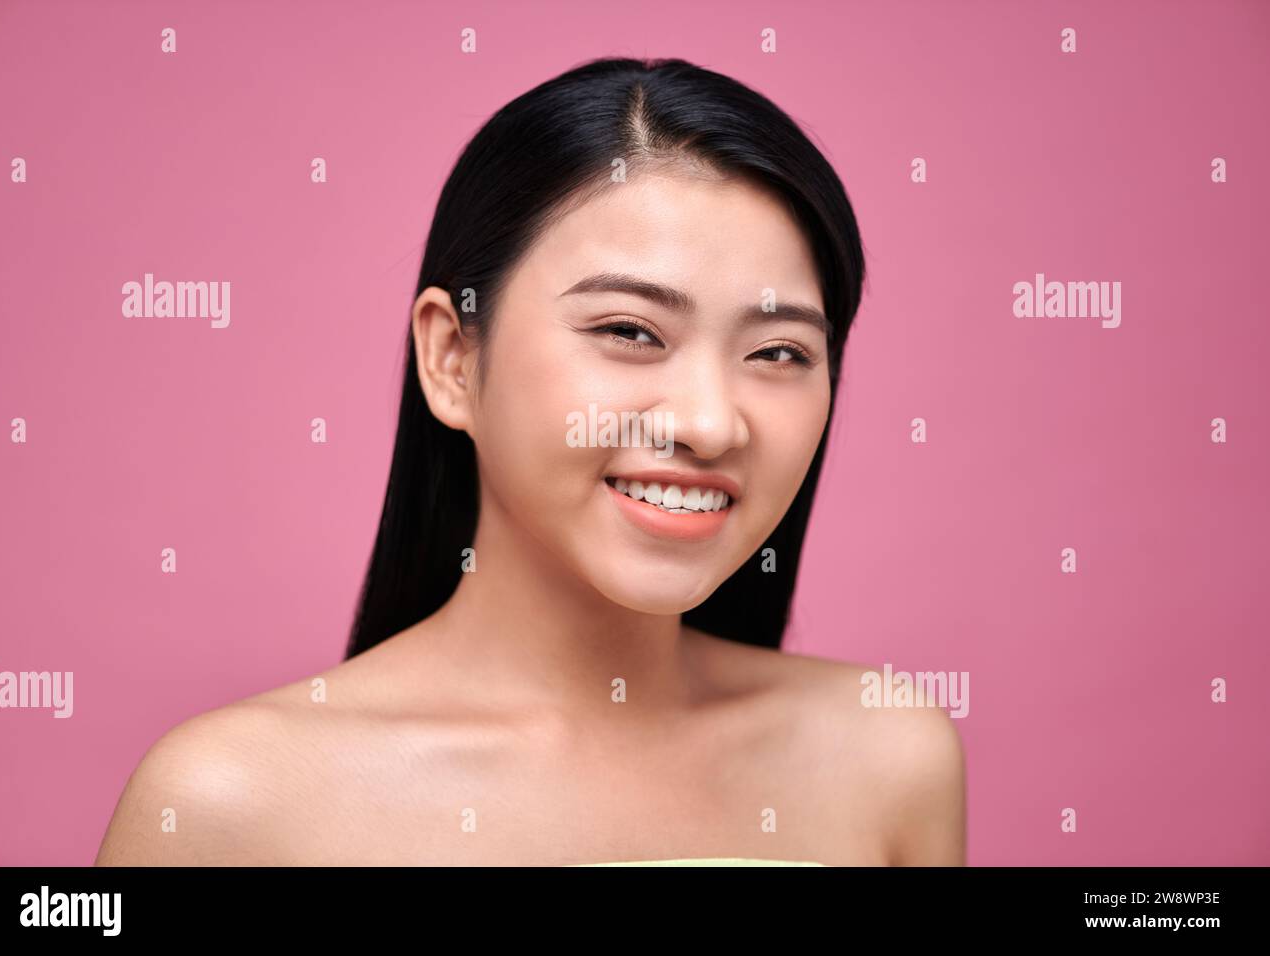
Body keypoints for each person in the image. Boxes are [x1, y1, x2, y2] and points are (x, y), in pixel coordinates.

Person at [95, 56, 965, 867]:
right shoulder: (231, 805)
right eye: (629, 331)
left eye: (779, 352)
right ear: (452, 360)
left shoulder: (884, 753)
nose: (709, 423)